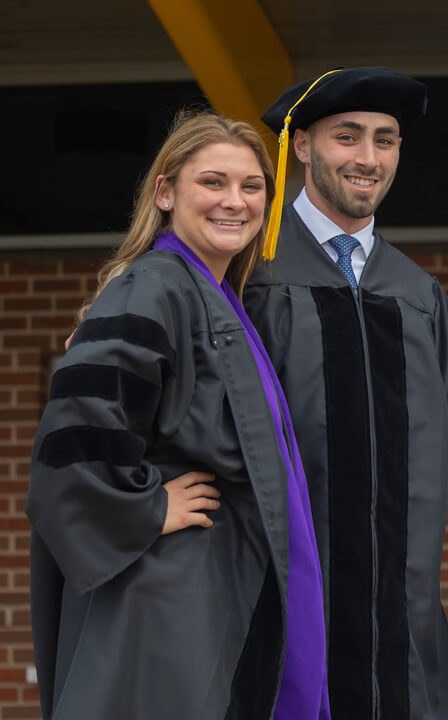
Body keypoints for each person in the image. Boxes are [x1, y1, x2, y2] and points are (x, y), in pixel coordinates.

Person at [27, 111, 327, 719]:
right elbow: (75, 436)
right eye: (212, 182)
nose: (235, 201)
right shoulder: (155, 287)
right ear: (165, 192)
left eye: (252, 186)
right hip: (167, 591)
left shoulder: (217, 297)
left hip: (210, 585)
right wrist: (148, 505)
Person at [244, 67, 448, 719]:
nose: (368, 158)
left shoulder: (419, 295)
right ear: (303, 146)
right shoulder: (253, 274)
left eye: (385, 140)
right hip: (276, 603)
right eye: (347, 136)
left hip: (402, 616)